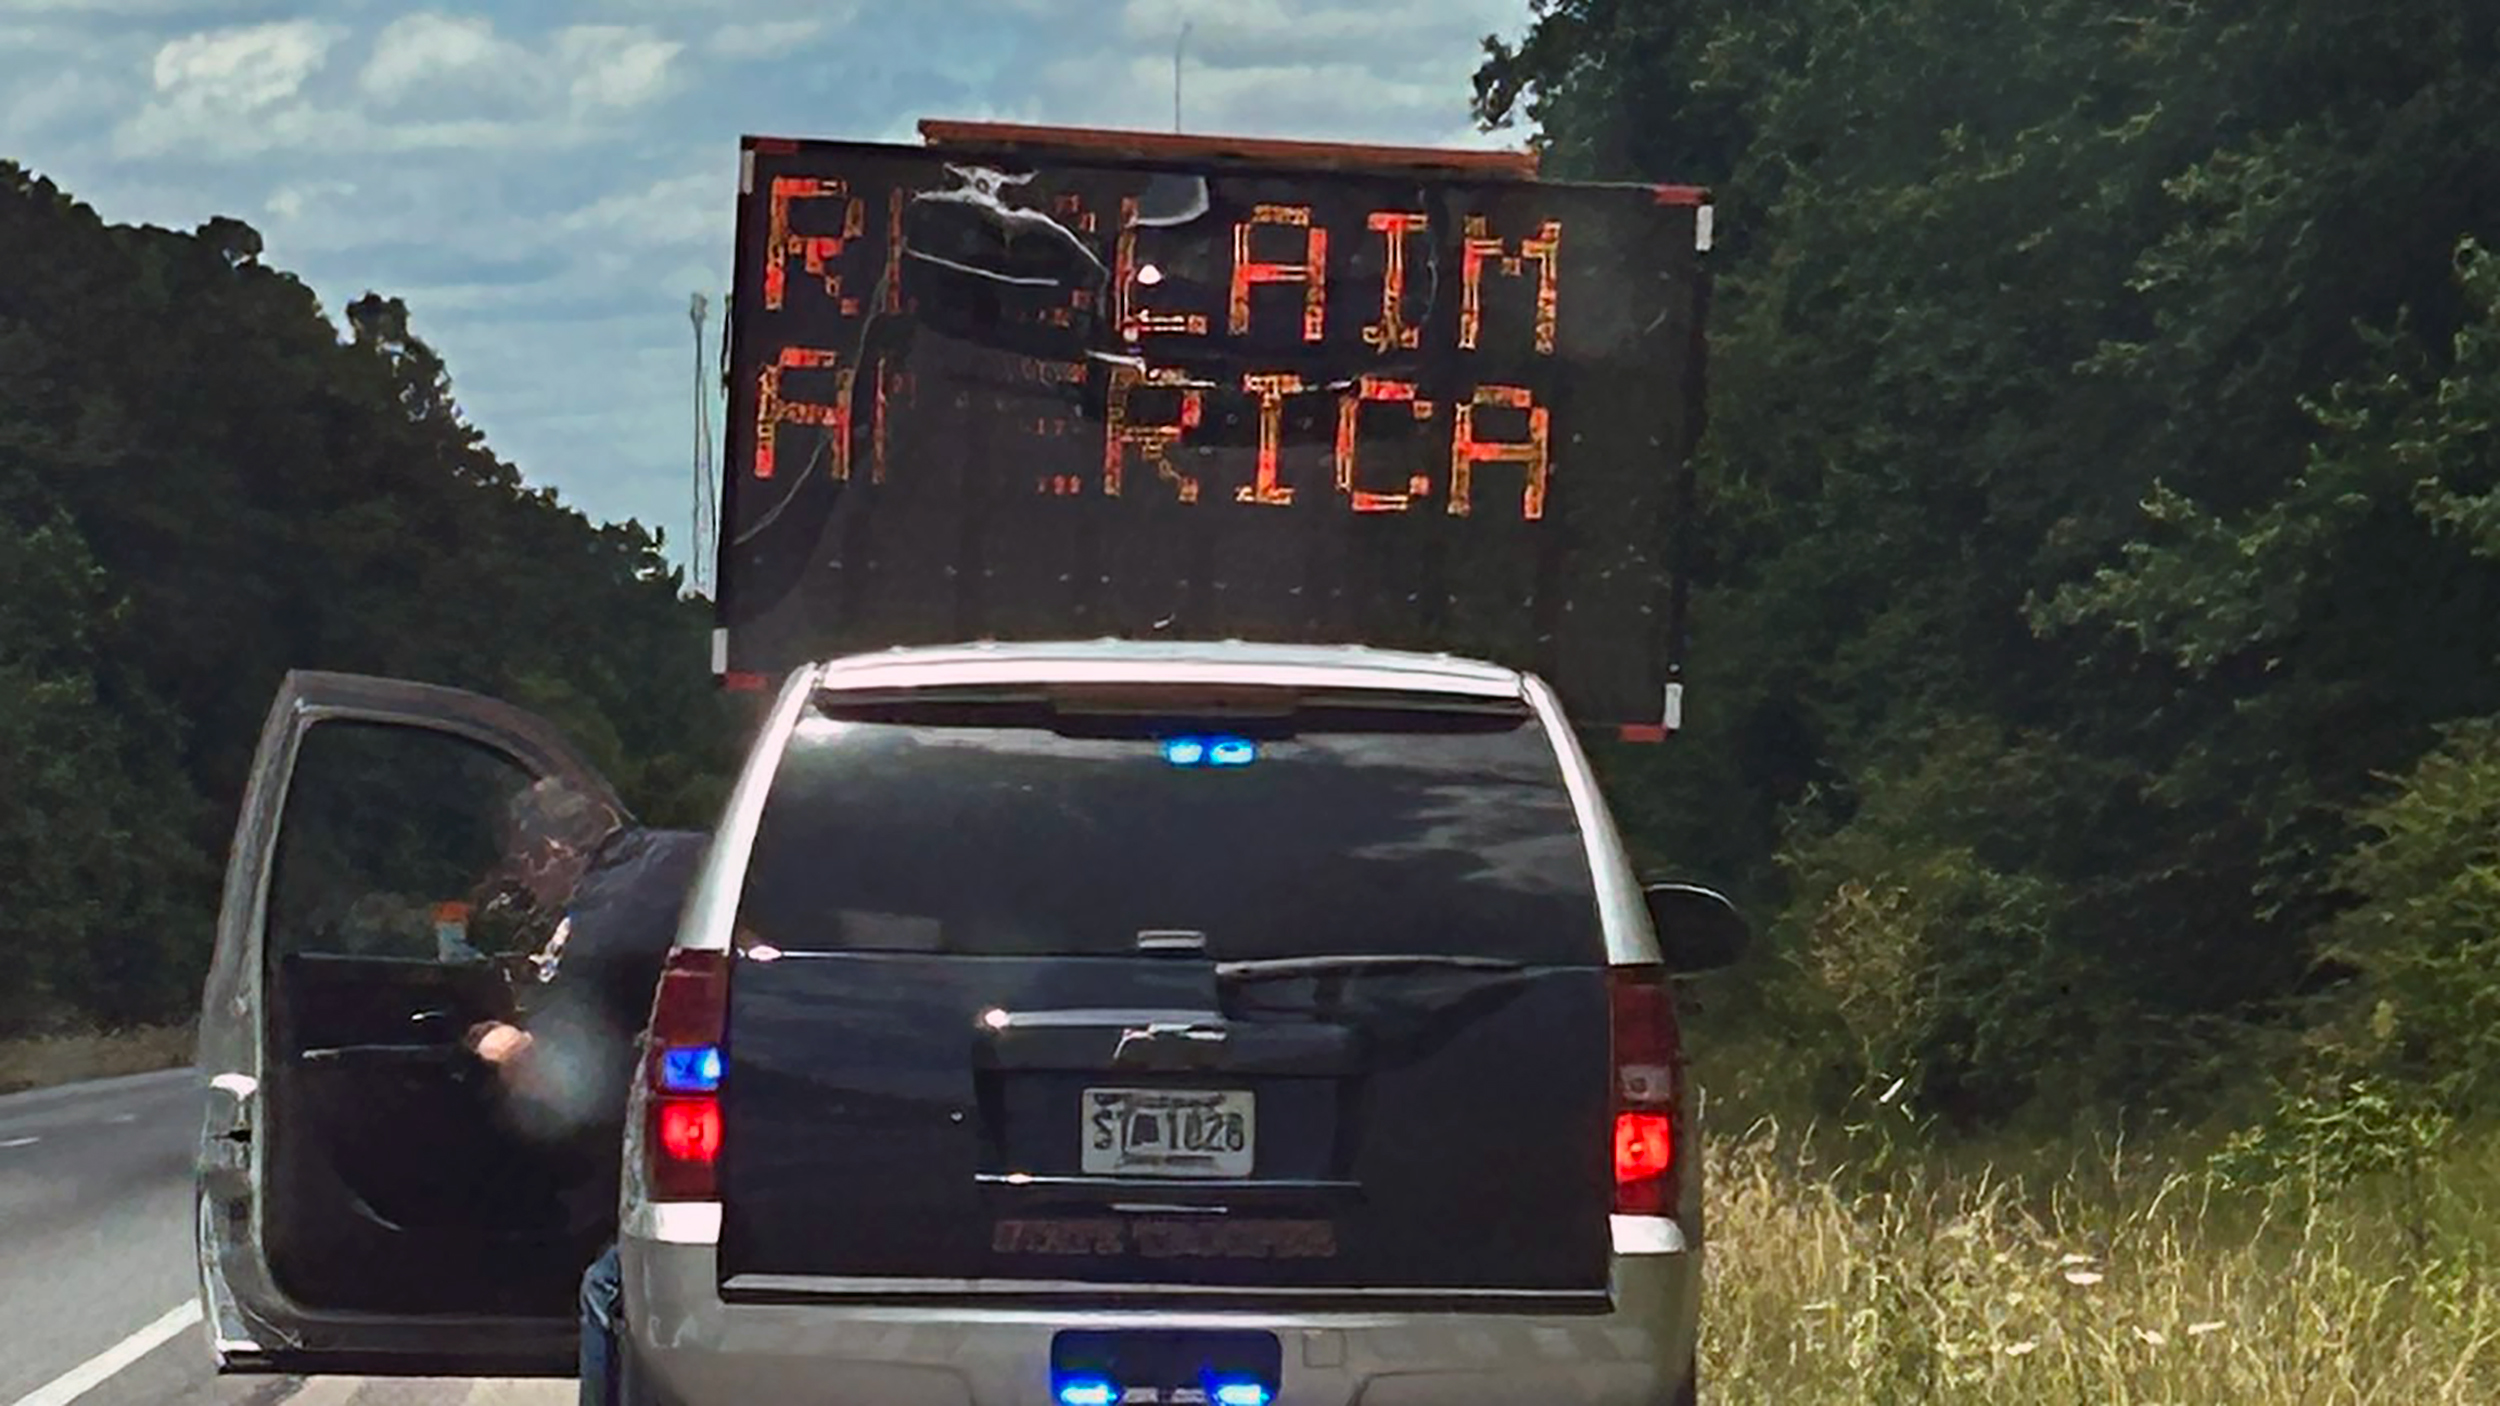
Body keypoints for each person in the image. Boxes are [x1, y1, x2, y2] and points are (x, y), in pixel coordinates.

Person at [462, 778, 710, 1406]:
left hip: (688, 1134)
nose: (524, 881)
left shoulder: (602, 920)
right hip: (734, 1102)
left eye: (523, 864)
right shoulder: (679, 856)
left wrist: (495, 1042)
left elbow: (557, 1076)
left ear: (551, 851)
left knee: (611, 1287)